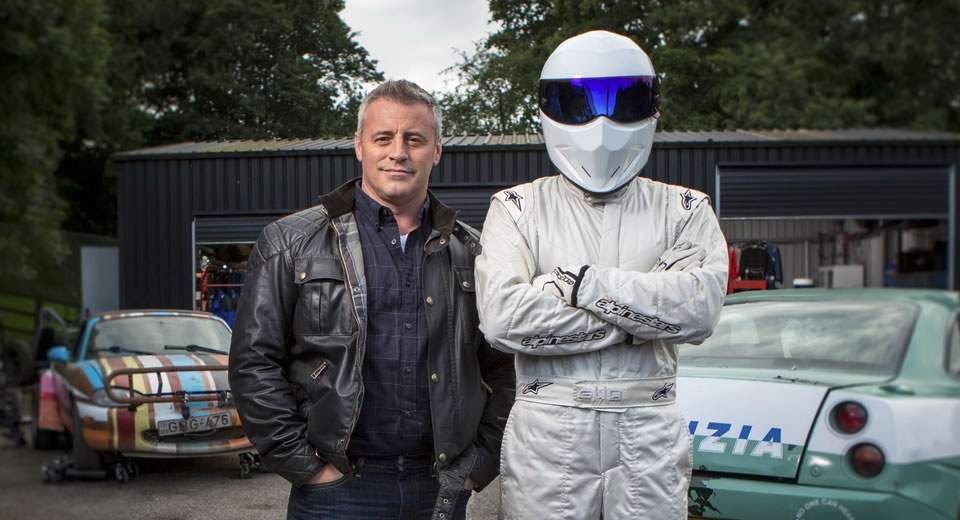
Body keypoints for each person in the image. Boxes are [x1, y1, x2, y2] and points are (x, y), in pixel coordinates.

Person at [229, 79, 515, 520]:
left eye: (414, 139)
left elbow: (507, 368)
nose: (398, 152)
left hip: (437, 488)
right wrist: (306, 467)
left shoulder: (475, 252)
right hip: (335, 491)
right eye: (383, 137)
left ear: (437, 150)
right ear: (359, 146)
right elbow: (254, 362)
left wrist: (478, 466)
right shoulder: (289, 242)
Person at [475, 31, 729, 519]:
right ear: (549, 108)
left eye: (622, 101)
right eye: (580, 103)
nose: (602, 121)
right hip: (549, 430)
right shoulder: (518, 208)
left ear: (650, 106)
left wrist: (581, 286)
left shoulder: (684, 209)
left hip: (647, 427)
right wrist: (641, 318)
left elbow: (699, 312)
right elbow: (504, 321)